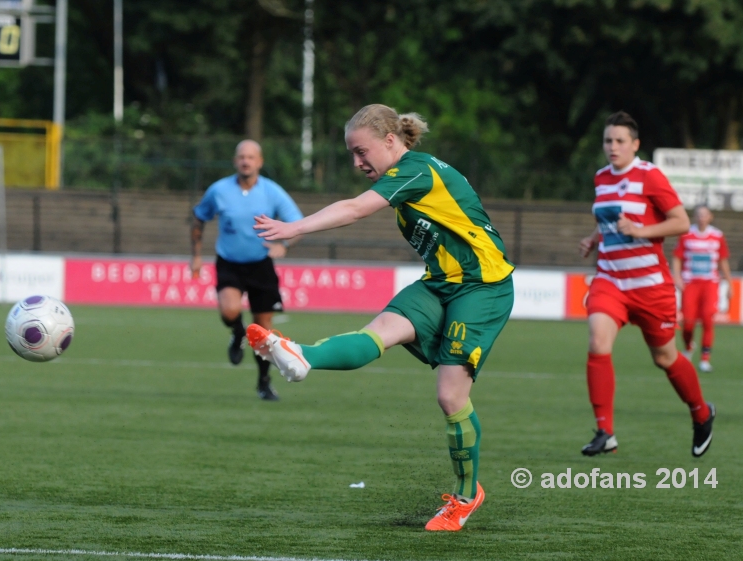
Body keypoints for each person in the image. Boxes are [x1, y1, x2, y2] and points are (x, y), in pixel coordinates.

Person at [244, 104, 515, 532]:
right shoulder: (404, 175)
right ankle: (301, 354)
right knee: (379, 332)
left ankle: (466, 496)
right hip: (441, 282)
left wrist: (295, 228)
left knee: (450, 397)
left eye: (361, 151)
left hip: (483, 287)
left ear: (391, 141)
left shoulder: (417, 168)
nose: (356, 163)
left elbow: (354, 209)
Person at [578, 111, 715, 458]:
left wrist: (640, 230)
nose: (613, 147)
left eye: (620, 141)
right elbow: (608, 218)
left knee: (665, 357)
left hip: (651, 285)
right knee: (597, 339)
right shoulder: (601, 178)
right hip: (611, 279)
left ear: (635, 145)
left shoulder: (650, 176)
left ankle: (701, 412)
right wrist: (594, 238)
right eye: (608, 140)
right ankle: (604, 430)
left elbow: (681, 222)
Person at [190, 139, 303, 401]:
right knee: (229, 311)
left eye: (251, 157)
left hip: (261, 266)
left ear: (259, 162)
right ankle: (237, 331)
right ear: (235, 161)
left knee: (263, 331)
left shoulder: (272, 192)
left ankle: (264, 381)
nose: (246, 161)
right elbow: (199, 218)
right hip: (229, 263)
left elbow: (298, 223)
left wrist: (283, 244)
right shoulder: (218, 190)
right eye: (241, 156)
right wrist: (195, 256)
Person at [672, 205, 733, 373]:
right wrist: (677, 277)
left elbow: (723, 261)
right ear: (695, 217)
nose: (701, 218)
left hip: (709, 283)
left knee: (707, 318)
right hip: (690, 283)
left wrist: (728, 284)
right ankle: (688, 346)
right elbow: (677, 257)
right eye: (699, 215)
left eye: (705, 215)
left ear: (710, 217)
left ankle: (705, 359)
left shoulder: (717, 236)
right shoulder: (687, 234)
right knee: (688, 322)